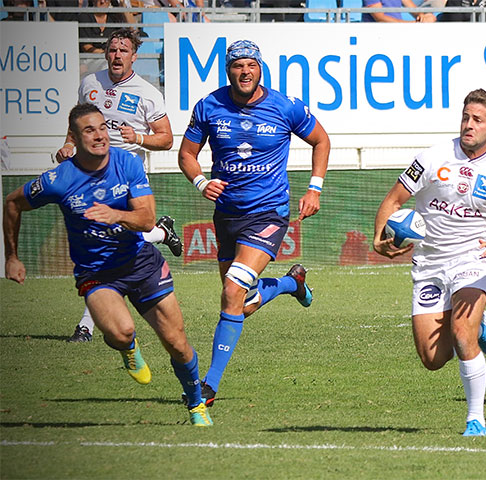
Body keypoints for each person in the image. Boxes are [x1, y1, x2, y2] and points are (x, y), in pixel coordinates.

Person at [4, 104, 211, 426]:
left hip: (140, 263)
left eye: (102, 127)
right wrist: (12, 257)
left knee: (177, 343)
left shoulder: (127, 163)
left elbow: (147, 220)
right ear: (74, 137)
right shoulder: (59, 179)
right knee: (122, 332)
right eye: (89, 130)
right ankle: (127, 347)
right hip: (96, 273)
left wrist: (116, 214)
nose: (99, 135)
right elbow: (13, 202)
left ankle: (196, 404)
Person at [373, 89, 486, 436]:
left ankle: (475, 419)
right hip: (429, 264)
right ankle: (480, 324)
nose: (468, 125)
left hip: (470, 260)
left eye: (478, 120)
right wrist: (378, 238)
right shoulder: (432, 158)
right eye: (465, 117)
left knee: (463, 334)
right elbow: (394, 199)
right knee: (432, 360)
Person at [177, 40, 331, 407]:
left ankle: (208, 386)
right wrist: (201, 182)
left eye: (251, 65)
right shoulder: (208, 106)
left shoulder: (285, 106)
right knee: (241, 303)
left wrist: (314, 188)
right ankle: (290, 284)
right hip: (227, 215)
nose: (244, 71)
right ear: (228, 70)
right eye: (237, 65)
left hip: (268, 213)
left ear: (260, 69)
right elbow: (186, 154)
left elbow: (321, 140)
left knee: (232, 292)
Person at [55, 28, 183, 344]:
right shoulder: (90, 83)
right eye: (112, 50)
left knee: (106, 248)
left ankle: (86, 327)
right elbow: (76, 124)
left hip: (127, 177)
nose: (117, 55)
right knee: (103, 244)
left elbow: (166, 139)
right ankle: (160, 233)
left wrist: (137, 137)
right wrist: (68, 145)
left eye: (123, 50)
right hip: (89, 177)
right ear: (106, 53)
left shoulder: (147, 93)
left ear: (133, 56)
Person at [362, 0, 437, 22]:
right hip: (377, 34)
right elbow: (380, 18)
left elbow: (415, 10)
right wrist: (414, 23)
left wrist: (424, 17)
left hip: (396, 32)